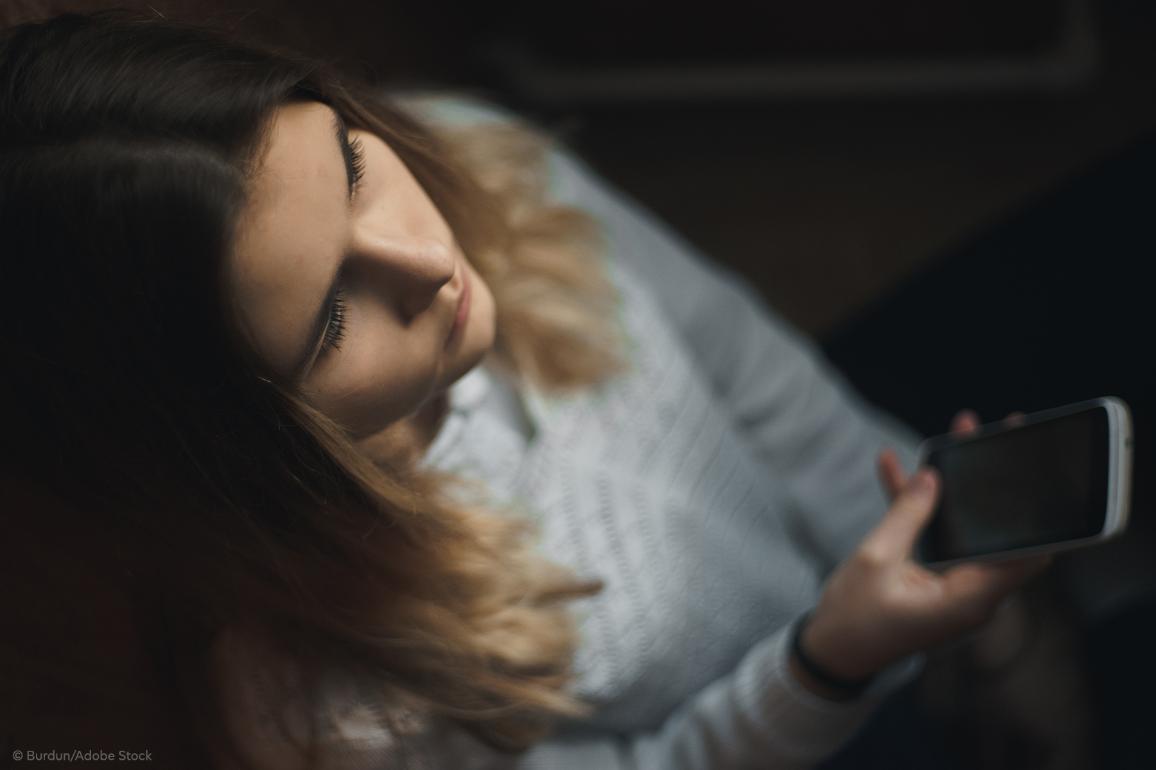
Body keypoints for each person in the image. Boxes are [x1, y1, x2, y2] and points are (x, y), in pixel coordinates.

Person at [0, 10, 1050, 769]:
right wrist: (830, 661)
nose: (428, 260)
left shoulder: (472, 150)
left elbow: (752, 373)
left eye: (356, 168)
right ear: (231, 442)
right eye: (329, 316)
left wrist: (987, 630)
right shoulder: (320, 699)